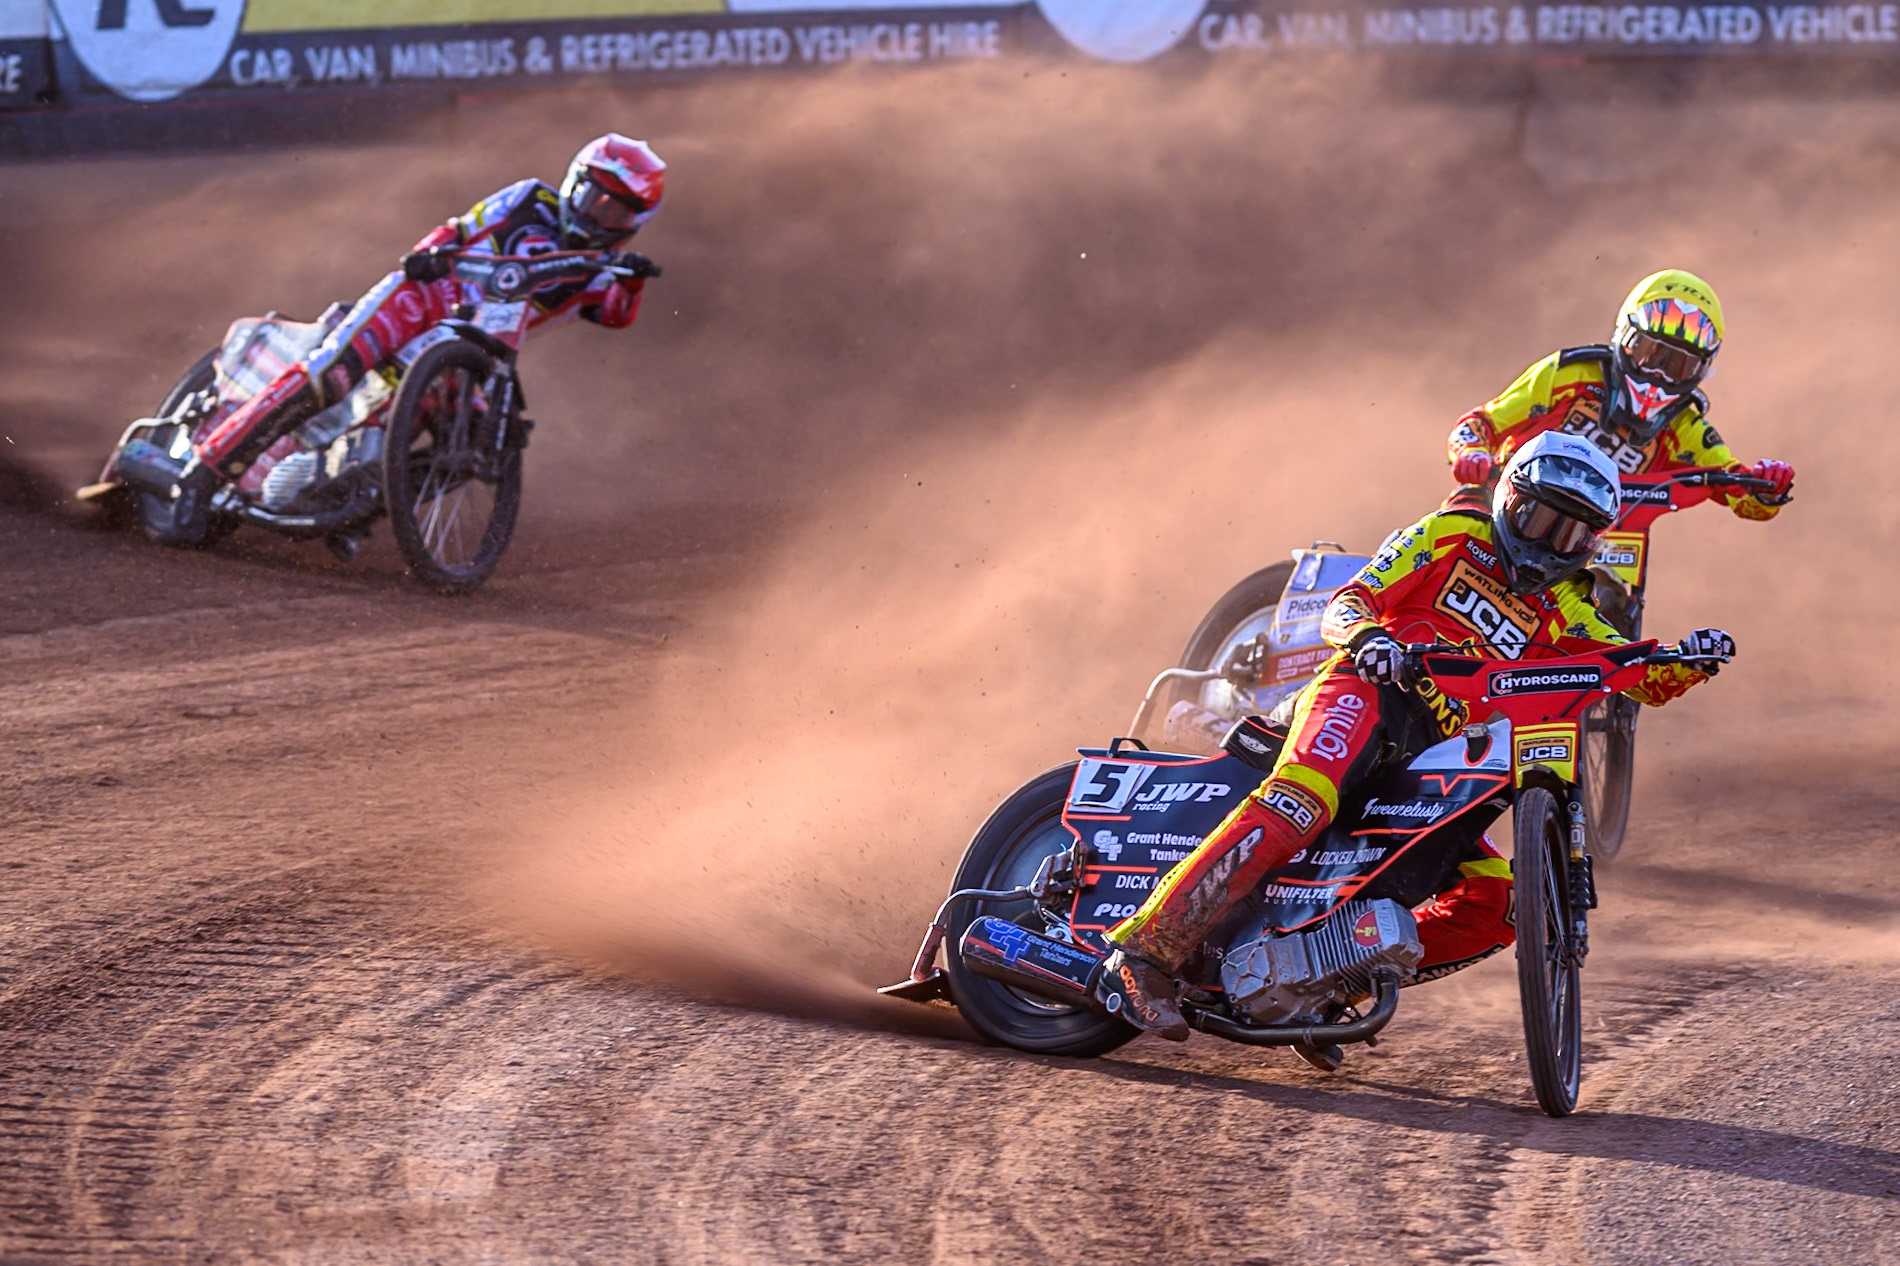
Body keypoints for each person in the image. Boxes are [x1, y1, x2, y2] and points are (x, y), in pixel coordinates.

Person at [1098, 431, 1736, 1042]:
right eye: (1541, 520)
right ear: (1510, 499)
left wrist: (1688, 660)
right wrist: (1369, 639)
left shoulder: (1567, 607)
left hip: (1429, 758)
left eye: (1569, 534)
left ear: (1590, 545)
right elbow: (1348, 603)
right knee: (1300, 802)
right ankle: (1143, 954)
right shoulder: (1452, 533)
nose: (1548, 545)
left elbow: (1636, 674)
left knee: (1499, 904)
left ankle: (1321, 980)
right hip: (1365, 691)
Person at [167, 134, 666, 524]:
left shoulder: (605, 272)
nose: (598, 213)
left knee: (473, 445)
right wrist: (430, 251)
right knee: (330, 375)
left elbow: (616, 315)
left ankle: (354, 500)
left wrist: (635, 281)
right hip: (422, 297)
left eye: (615, 210)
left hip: (471, 356)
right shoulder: (528, 198)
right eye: (593, 197)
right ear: (574, 181)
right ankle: (202, 476)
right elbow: (463, 228)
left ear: (635, 220)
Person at [1444, 269, 1793, 521]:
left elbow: (1740, 491)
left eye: (1678, 366)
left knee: (1617, 595)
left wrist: (1767, 488)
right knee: (1461, 523)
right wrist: (1472, 453)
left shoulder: (1686, 428)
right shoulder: (1568, 374)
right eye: (1649, 354)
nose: (1658, 375)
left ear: (1700, 371)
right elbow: (1479, 424)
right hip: (1506, 506)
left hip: (1597, 541)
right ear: (1624, 337)